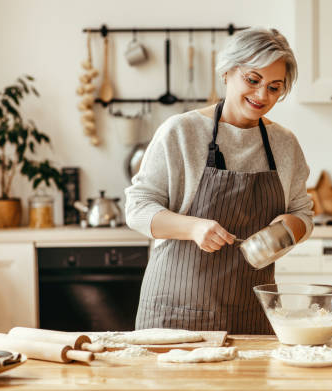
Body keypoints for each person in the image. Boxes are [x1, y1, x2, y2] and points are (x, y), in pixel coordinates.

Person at [125, 27, 313, 334]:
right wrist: (194, 227)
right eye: (253, 80)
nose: (262, 95)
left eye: (274, 87)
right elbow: (137, 208)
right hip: (175, 314)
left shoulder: (285, 144)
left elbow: (303, 213)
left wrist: (286, 230)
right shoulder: (181, 132)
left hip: (251, 313)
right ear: (227, 71)